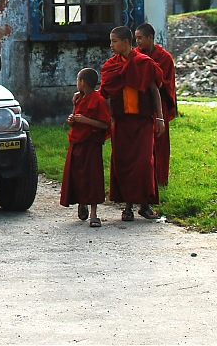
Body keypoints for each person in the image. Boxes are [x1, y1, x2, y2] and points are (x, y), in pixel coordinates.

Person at [100, 26, 165, 221]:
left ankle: (144, 205)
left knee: (144, 163)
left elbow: (154, 90)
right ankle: (127, 207)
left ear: (126, 42)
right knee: (122, 163)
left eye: (114, 41)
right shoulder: (111, 66)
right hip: (121, 121)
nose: (111, 45)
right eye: (111, 41)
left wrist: (160, 117)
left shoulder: (144, 63)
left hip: (142, 121)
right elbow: (104, 92)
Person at [60, 68, 111, 227]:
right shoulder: (78, 98)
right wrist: (72, 120)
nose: (77, 84)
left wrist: (86, 121)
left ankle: (94, 213)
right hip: (76, 142)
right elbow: (76, 118)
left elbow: (105, 124)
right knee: (76, 175)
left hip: (91, 143)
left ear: (82, 82)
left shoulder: (98, 100)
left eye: (77, 81)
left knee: (92, 177)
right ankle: (81, 202)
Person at [135, 23, 177, 186]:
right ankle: (142, 179)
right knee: (141, 143)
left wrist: (151, 78)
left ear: (150, 38)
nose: (137, 42)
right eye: (136, 38)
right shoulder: (135, 55)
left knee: (160, 143)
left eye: (140, 38)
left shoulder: (164, 58)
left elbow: (166, 83)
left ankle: (160, 179)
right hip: (139, 105)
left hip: (160, 106)